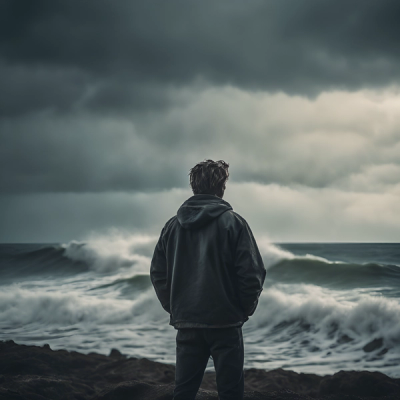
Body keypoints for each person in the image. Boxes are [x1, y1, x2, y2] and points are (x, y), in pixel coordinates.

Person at [150, 159, 266, 400]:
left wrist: (174, 306)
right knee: (231, 392)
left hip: (187, 320)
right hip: (225, 322)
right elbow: (252, 274)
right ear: (221, 186)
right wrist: (243, 309)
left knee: (183, 391)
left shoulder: (172, 226)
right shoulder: (234, 223)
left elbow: (158, 273)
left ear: (194, 186)